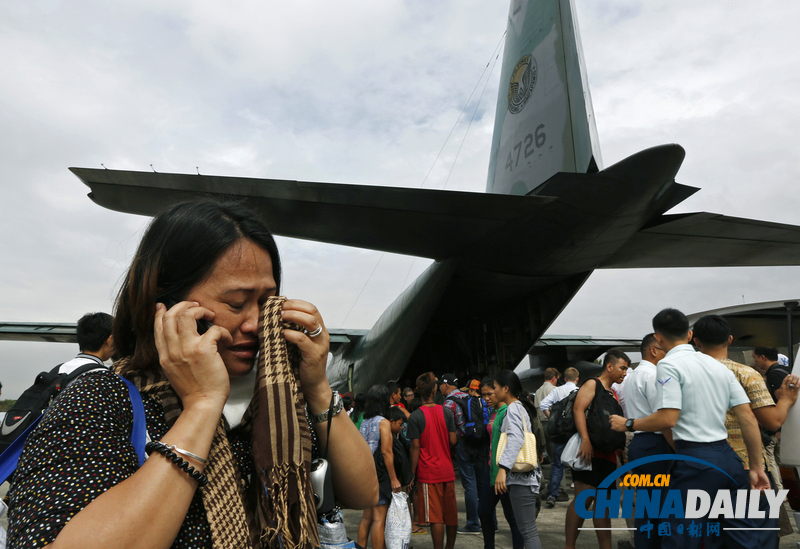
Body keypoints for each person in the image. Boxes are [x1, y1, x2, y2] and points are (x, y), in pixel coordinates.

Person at [7, 199, 377, 549]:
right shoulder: (102, 399)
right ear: (165, 304)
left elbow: (363, 493)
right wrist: (201, 407)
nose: (255, 323)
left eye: (268, 302)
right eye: (235, 303)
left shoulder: (277, 400)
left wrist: (317, 386)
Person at [610, 308, 770, 549]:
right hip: (730, 461)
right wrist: (757, 467)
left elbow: (667, 418)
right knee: (741, 538)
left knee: (681, 537)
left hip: (696, 461)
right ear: (689, 333)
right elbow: (747, 416)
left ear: (659, 338)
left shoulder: (668, 366)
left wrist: (629, 424)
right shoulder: (718, 366)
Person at [693, 315, 800, 549]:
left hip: (700, 465)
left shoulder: (684, 375)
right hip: (745, 467)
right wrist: (786, 400)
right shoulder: (745, 373)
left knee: (710, 534)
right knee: (757, 536)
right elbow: (773, 421)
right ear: (730, 340)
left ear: (696, 341)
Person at [563, 351, 627, 549]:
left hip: (608, 455)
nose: (625, 373)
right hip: (589, 453)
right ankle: (569, 545)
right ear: (609, 366)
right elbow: (578, 409)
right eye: (622, 367)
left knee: (604, 505)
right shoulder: (593, 384)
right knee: (584, 498)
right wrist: (585, 440)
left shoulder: (613, 392)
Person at [621, 334, 669, 548]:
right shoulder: (654, 375)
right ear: (654, 350)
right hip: (655, 444)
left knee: (646, 507)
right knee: (661, 508)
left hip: (640, 444)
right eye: (665, 349)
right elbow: (663, 419)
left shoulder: (632, 375)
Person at [493, 370, 543, 549]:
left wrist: (503, 468)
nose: (494, 391)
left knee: (528, 532)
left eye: (496, 387)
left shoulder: (513, 408)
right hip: (524, 479)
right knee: (527, 530)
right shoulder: (519, 406)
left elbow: (516, 438)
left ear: (506, 388)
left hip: (522, 481)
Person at [408, 372, 458, 549]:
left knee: (436, 517)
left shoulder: (415, 416)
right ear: (434, 389)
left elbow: (415, 447)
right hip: (447, 470)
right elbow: (453, 440)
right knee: (451, 515)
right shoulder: (446, 412)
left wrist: (412, 473)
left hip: (428, 473)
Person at [479, 376, 524, 549]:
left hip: (503, 472)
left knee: (511, 516)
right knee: (484, 511)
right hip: (492, 470)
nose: (487, 398)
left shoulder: (507, 411)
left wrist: (503, 469)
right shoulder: (494, 412)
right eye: (483, 395)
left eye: (490, 393)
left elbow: (514, 441)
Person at [439, 372, 485, 534]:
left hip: (463, 445)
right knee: (483, 484)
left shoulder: (448, 404)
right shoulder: (468, 397)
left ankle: (473, 524)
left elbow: (446, 430)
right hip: (479, 442)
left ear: (446, 385)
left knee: (470, 484)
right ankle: (490, 523)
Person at [358, 385, 403, 549]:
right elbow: (386, 452)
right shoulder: (383, 423)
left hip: (366, 473)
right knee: (379, 518)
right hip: (380, 475)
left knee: (366, 518)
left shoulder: (365, 421)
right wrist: (393, 479)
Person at [538, 366, 579, 508]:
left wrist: (552, 419)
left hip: (560, 433)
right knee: (576, 465)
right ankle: (580, 497)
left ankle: (552, 495)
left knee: (557, 464)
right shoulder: (578, 391)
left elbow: (543, 404)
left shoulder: (557, 390)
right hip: (575, 433)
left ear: (565, 378)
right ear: (577, 379)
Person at [753, 346, 791, 489]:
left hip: (777, 427)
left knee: (770, 459)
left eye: (755, 357)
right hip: (784, 426)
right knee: (782, 460)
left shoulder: (774, 374)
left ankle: (780, 490)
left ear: (763, 357)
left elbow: (781, 401)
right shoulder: (785, 371)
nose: (755, 361)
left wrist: (779, 428)